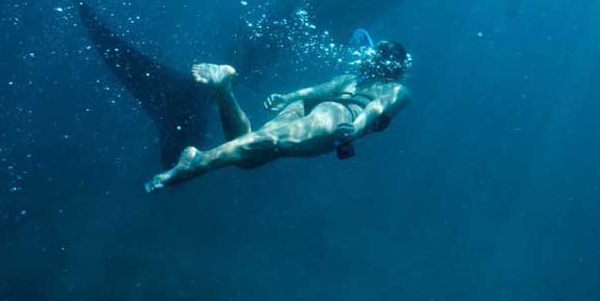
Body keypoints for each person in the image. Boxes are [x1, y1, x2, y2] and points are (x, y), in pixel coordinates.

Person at [145, 40, 411, 193]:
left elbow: (319, 90)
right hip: (340, 115)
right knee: (267, 142)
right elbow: (376, 108)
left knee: (250, 152)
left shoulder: (351, 79)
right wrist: (355, 127)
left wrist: (289, 98)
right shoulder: (397, 88)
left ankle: (224, 88)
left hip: (314, 107)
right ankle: (197, 162)